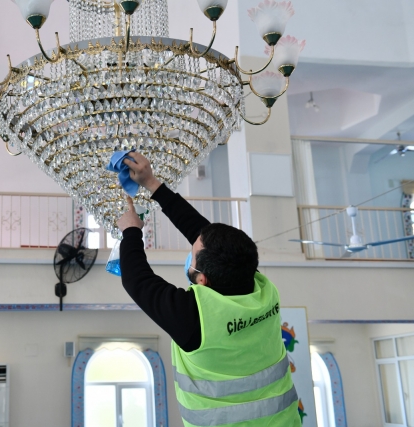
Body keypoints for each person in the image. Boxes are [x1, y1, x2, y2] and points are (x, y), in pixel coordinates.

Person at [116, 152, 301, 427]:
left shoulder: (195, 319)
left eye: (192, 254)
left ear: (202, 280)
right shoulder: (260, 288)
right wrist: (152, 183)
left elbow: (137, 279)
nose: (191, 251)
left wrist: (131, 231)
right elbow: (205, 234)